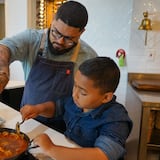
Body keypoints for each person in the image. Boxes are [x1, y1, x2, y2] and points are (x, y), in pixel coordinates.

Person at [0, 1, 98, 131]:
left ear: (81, 32)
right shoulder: (32, 39)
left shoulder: (88, 57)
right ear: (53, 19)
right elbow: (5, 47)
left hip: (65, 126)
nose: (60, 41)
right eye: (56, 32)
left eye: (69, 38)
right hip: (28, 120)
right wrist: (2, 70)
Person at [20, 57, 133, 160]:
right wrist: (38, 109)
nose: (75, 94)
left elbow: (103, 154)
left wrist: (52, 149)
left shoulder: (116, 119)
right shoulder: (76, 102)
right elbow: (57, 108)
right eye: (75, 86)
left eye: (83, 93)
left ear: (106, 97)